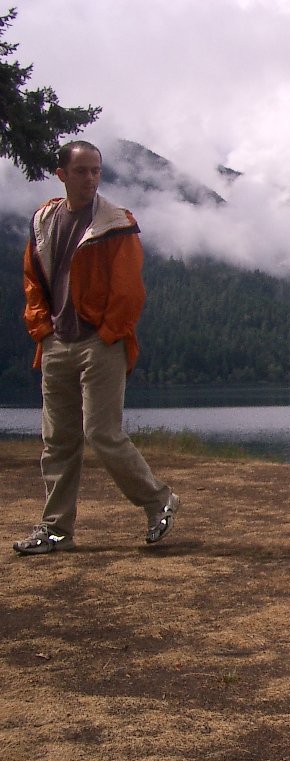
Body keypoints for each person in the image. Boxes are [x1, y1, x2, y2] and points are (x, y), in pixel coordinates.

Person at [13, 140, 180, 556]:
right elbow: (33, 279)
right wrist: (43, 331)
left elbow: (129, 291)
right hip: (56, 343)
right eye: (82, 171)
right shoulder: (44, 221)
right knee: (58, 441)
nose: (90, 178)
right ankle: (56, 530)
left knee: (101, 433)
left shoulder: (116, 224)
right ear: (62, 174)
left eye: (96, 171)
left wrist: (108, 335)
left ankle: (158, 500)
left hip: (100, 343)